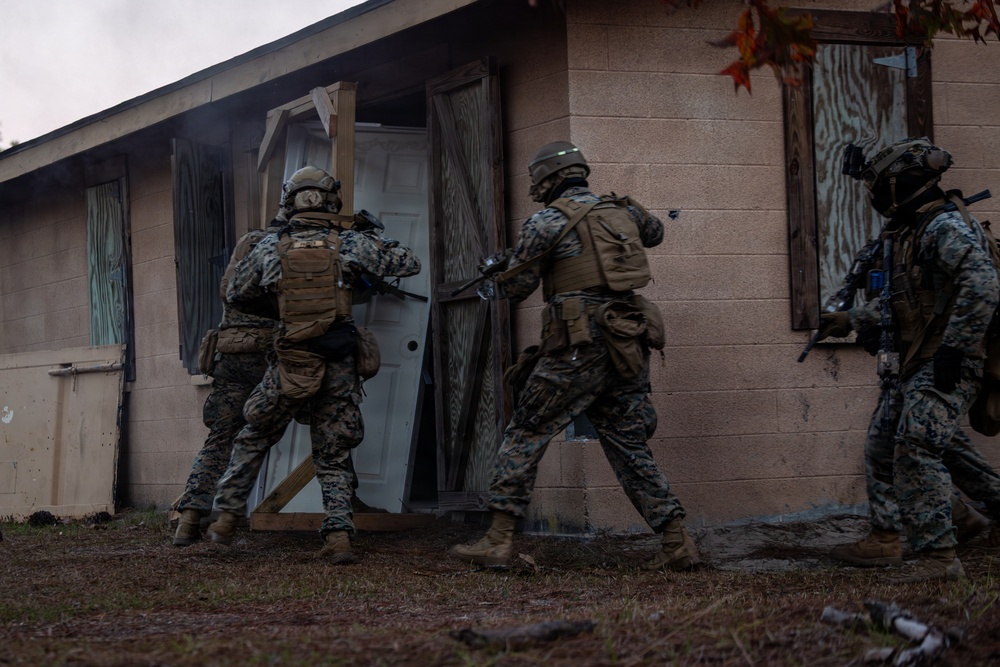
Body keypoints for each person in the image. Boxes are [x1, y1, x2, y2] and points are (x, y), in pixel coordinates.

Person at [449, 141, 700, 570]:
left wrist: (503, 270)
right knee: (628, 446)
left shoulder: (544, 221)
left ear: (544, 180)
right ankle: (678, 542)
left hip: (577, 348)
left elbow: (517, 289)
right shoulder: (622, 211)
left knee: (526, 430)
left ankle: (498, 540)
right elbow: (655, 232)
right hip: (626, 342)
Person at [205, 166, 420, 562]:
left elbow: (234, 293)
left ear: (289, 202)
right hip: (338, 361)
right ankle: (338, 537)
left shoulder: (270, 247)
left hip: (291, 359)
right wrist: (369, 239)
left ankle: (226, 518)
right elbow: (408, 263)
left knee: (254, 435)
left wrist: (278, 307)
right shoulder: (350, 243)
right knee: (333, 453)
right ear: (331, 201)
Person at [817, 138, 1000, 581]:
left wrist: (955, 350)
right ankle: (887, 536)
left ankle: (939, 558)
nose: (874, 196)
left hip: (949, 359)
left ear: (903, 183)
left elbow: (982, 284)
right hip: (918, 360)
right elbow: (905, 300)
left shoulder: (943, 227)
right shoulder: (908, 230)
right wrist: (851, 320)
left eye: (879, 186)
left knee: (916, 447)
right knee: (884, 445)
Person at [171, 220, 283, 547]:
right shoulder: (290, 249)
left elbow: (228, 293)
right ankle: (227, 519)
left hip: (232, 355)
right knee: (316, 429)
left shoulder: (245, 250)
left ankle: (189, 519)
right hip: (270, 356)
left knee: (220, 439)